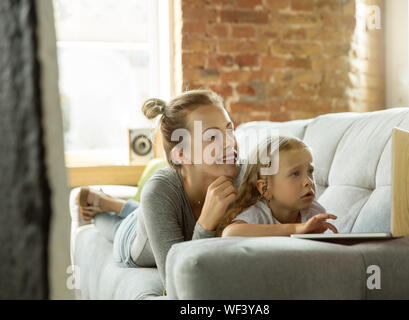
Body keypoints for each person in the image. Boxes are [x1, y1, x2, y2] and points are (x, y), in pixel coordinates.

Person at [76, 89, 240, 288]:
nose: (230, 142)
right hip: (132, 237)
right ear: (181, 155)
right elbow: (177, 282)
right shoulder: (158, 191)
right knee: (114, 225)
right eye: (212, 137)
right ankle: (99, 205)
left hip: (150, 213)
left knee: (141, 213)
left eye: (229, 130)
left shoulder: (244, 174)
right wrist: (206, 224)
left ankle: (114, 203)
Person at [216, 135, 338, 237]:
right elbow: (230, 233)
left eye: (310, 171)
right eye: (295, 174)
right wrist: (296, 229)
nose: (308, 182)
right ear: (265, 188)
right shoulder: (259, 214)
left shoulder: (314, 212)